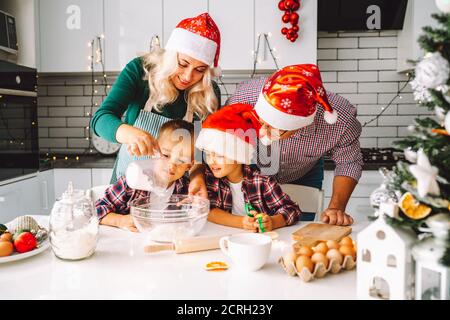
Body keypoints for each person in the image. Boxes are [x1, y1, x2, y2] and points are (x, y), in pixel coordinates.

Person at [90, 13, 222, 196]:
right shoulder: (139, 71)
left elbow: (201, 151)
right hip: (127, 190)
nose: (187, 77)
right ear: (170, 55)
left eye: (199, 70)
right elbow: (100, 120)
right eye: (183, 64)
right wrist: (130, 133)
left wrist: (197, 177)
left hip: (175, 195)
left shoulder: (208, 93)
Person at [227, 64, 363, 226]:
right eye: (260, 123)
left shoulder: (341, 120)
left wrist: (336, 208)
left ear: (301, 125)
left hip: (303, 174)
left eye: (273, 129)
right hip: (251, 171)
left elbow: (349, 162)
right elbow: (220, 138)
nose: (262, 134)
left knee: (296, 227)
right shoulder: (244, 97)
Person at [195, 104, 301, 232]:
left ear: (238, 153)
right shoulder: (211, 178)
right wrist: (241, 223)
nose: (211, 160)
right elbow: (208, 209)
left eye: (219, 155)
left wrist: (272, 222)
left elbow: (292, 210)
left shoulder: (262, 181)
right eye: (207, 153)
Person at [95, 120, 194, 232]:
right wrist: (120, 221)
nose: (171, 165)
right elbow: (95, 211)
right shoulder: (132, 183)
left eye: (181, 160)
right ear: (154, 151)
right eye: (166, 155)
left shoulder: (187, 191)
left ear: (189, 165)